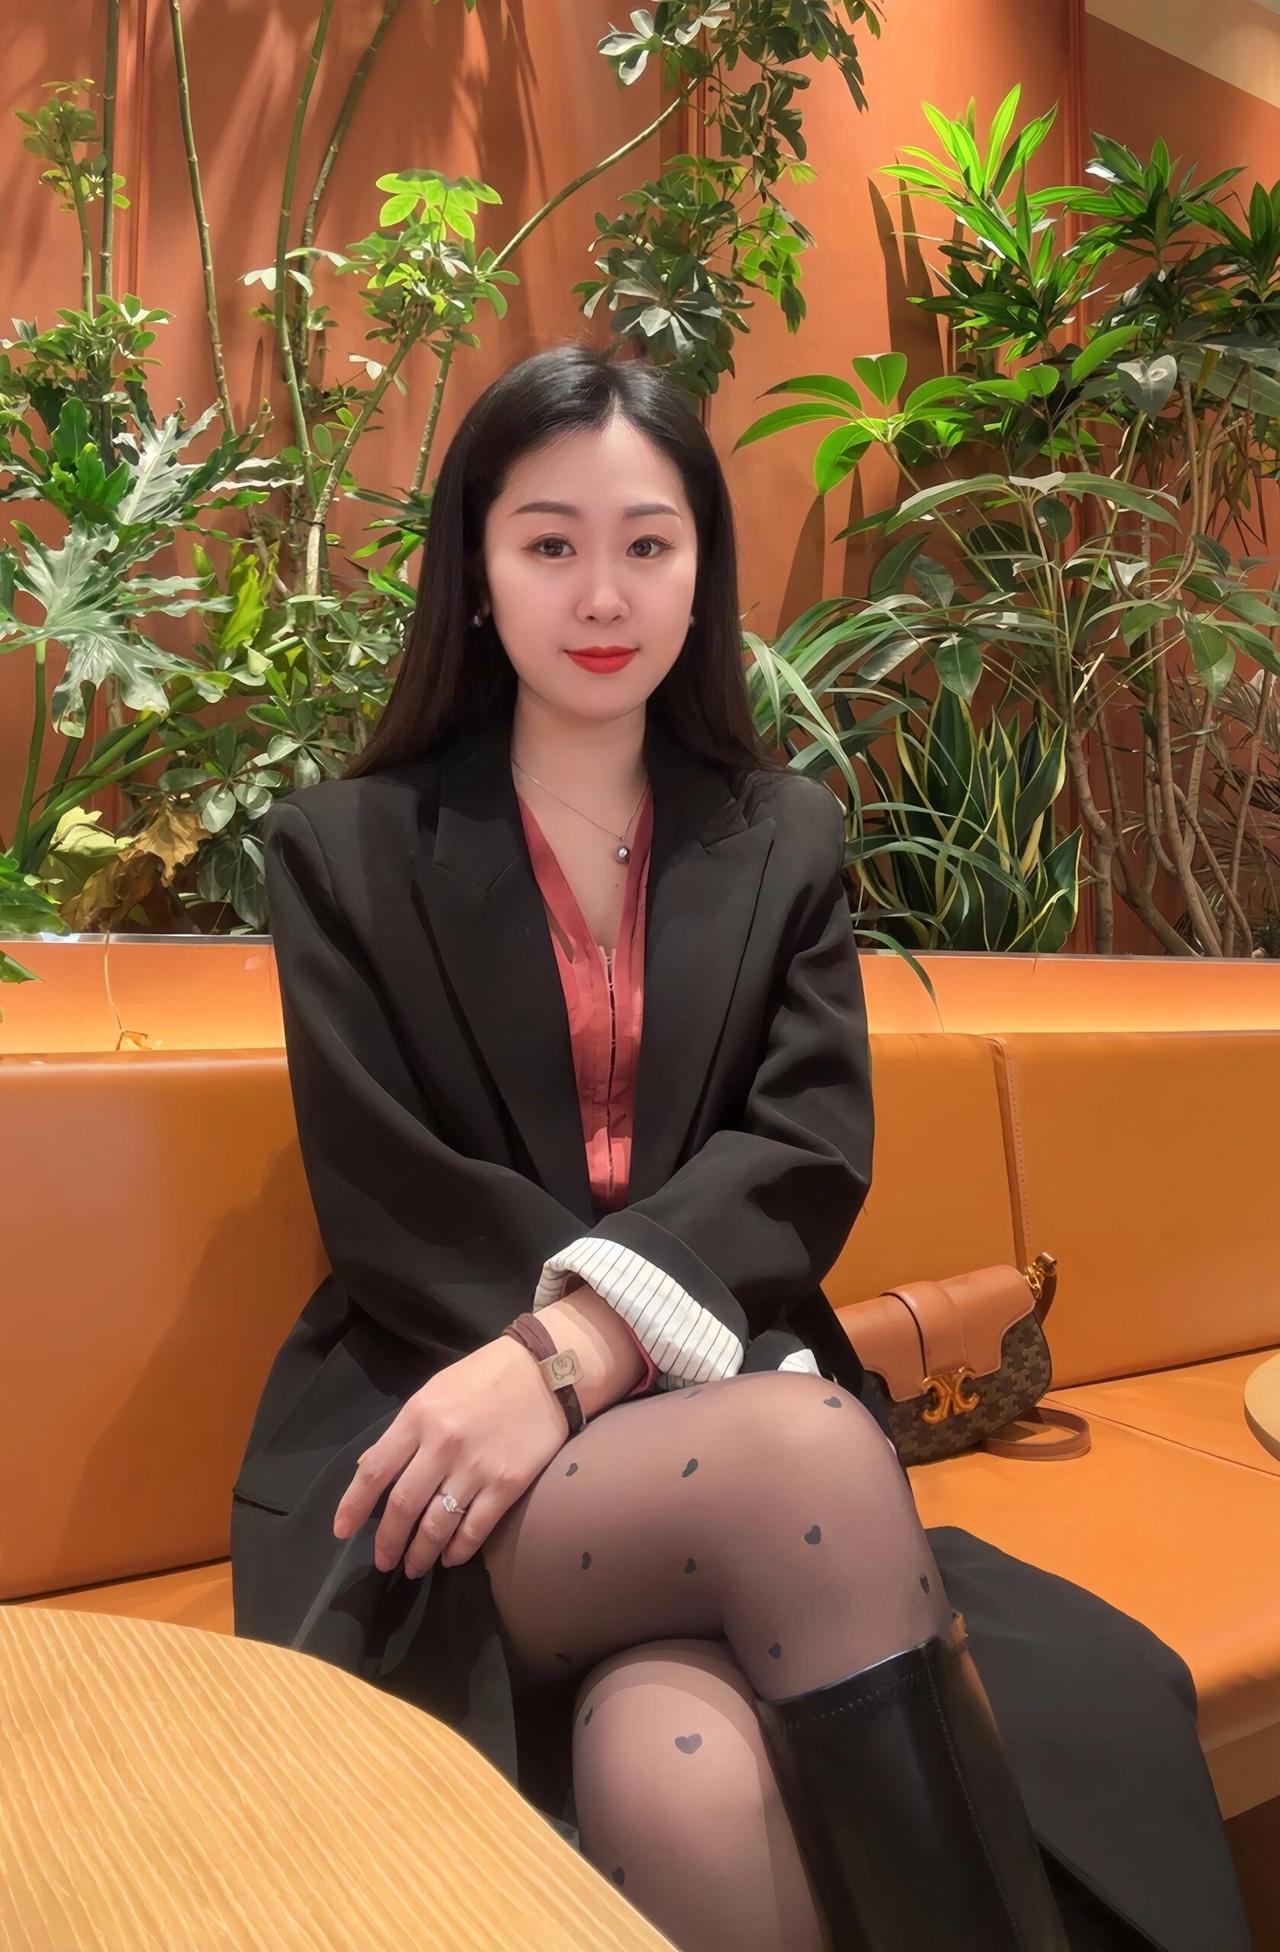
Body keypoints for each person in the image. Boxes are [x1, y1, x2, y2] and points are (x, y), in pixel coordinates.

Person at [231, 342, 1250, 1952]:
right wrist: (539, 1363)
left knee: (683, 1776)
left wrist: (586, 1346)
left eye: (649, 543)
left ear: (701, 569)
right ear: (475, 573)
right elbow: (387, 1191)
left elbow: (807, 1146)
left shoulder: (783, 839)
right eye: (549, 543)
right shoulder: (344, 851)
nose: (602, 592)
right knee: (807, 1458)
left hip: (698, 1417)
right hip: (447, 1438)